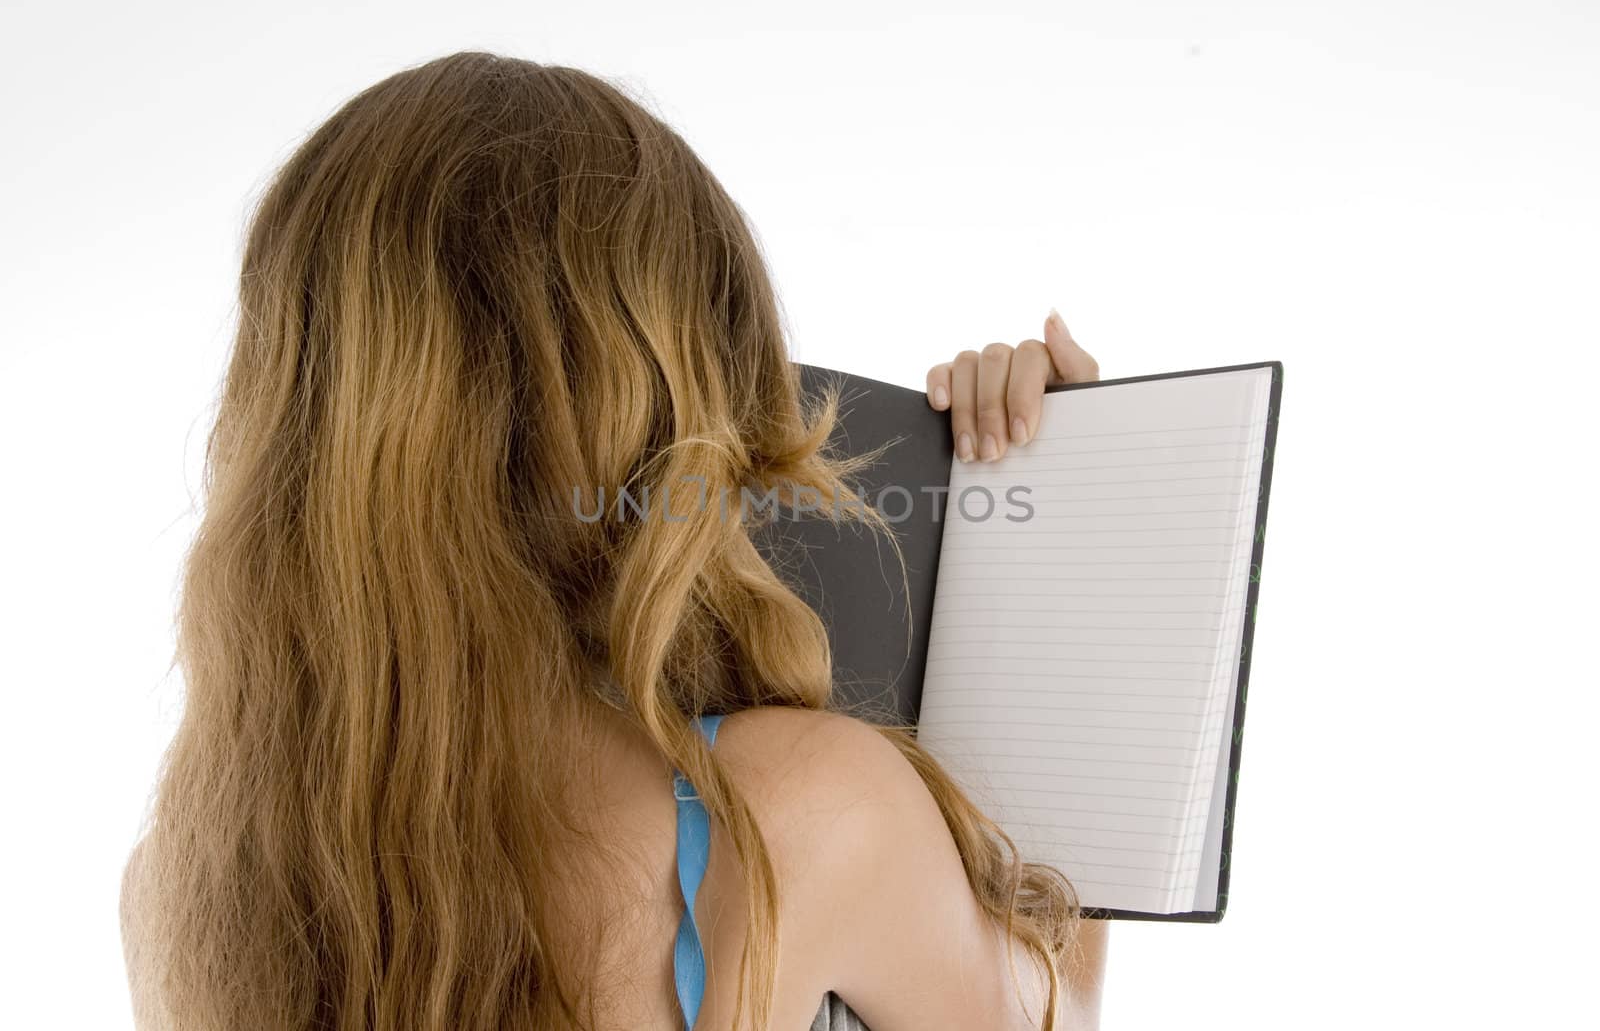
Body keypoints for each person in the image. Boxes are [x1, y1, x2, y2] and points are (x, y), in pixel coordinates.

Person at [119, 51, 1108, 1031]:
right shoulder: (789, 814)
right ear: (681, 388)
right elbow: (1063, 1014)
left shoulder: (184, 882)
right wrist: (1061, 508)